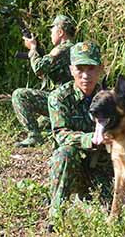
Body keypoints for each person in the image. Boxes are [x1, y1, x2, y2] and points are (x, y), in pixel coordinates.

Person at [46, 41, 113, 223]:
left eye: (91, 69)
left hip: (102, 166)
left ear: (100, 69)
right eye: (80, 69)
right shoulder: (59, 98)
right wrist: (90, 139)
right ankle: (56, 215)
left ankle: (83, 201)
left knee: (115, 210)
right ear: (71, 70)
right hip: (73, 166)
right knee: (63, 153)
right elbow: (60, 134)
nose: (85, 76)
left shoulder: (109, 99)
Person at [11, 14, 76, 147]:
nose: (51, 33)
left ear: (60, 31)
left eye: (52, 30)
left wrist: (33, 49)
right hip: (70, 101)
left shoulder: (62, 49)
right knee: (42, 123)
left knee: (19, 95)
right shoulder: (73, 48)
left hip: (63, 101)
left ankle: (34, 136)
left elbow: (39, 69)